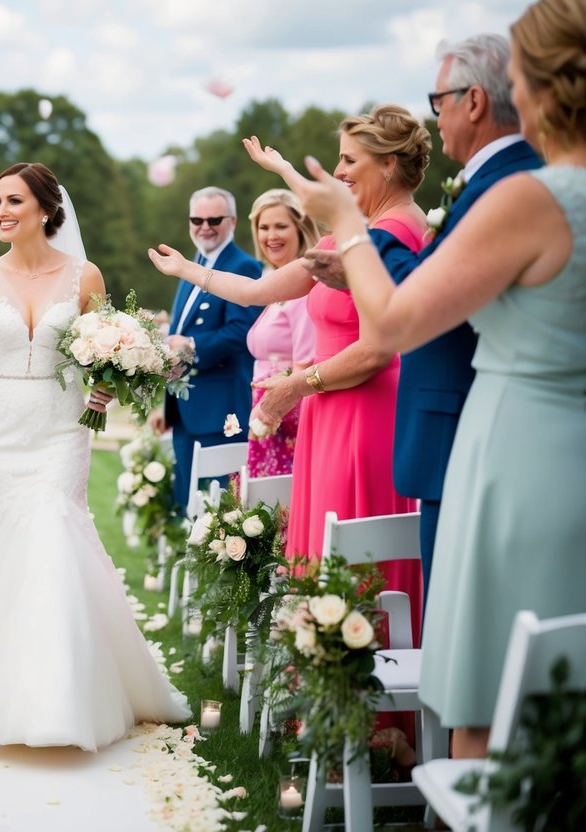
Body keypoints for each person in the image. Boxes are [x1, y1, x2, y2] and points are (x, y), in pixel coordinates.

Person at [290, 0, 586, 760]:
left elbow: (391, 326)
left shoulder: (527, 195)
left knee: (489, 702)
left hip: (516, 450)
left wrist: (345, 227)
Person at [0, 162, 190, 759]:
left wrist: (108, 383)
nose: (0, 211)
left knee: (53, 534)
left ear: (47, 210)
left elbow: (104, 351)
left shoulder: (85, 275)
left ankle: (58, 698)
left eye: (14, 201)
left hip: (61, 425)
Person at [148, 105, 429, 639]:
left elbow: (377, 348)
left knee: (357, 557)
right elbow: (258, 291)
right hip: (331, 410)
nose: (338, 172)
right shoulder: (356, 233)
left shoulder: (391, 234)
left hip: (363, 411)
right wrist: (187, 270)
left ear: (389, 166)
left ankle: (371, 709)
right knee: (323, 554)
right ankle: (325, 694)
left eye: (349, 161)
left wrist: (298, 385)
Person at [307, 35, 542, 601]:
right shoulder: (491, 182)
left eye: (438, 101)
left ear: (474, 101)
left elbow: (410, 302)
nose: (434, 116)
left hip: (460, 426)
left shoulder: (504, 186)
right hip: (461, 426)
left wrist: (355, 233)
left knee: (456, 614)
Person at [149, 187, 261, 506]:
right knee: (190, 508)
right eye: (197, 219)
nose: (205, 226)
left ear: (233, 221)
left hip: (220, 411)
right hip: (185, 409)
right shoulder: (192, 265)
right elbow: (181, 330)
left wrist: (192, 346)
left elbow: (242, 331)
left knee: (218, 515)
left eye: (214, 219)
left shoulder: (244, 266)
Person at [243, 189, 319, 477]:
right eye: (264, 227)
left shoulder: (302, 289)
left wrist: (270, 412)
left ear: (300, 229)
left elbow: (305, 362)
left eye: (280, 226)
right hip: (268, 420)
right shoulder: (275, 286)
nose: (270, 236)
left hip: (286, 421)